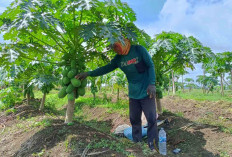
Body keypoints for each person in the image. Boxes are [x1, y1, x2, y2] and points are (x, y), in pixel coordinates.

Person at [75, 38, 159, 151]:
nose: (115, 50)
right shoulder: (118, 59)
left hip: (146, 91)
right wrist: (89, 73)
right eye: (114, 48)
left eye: (117, 47)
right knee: (134, 119)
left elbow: (150, 65)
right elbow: (105, 68)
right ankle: (137, 143)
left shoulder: (138, 50)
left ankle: (153, 145)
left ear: (123, 42)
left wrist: (152, 83)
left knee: (151, 119)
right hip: (133, 93)